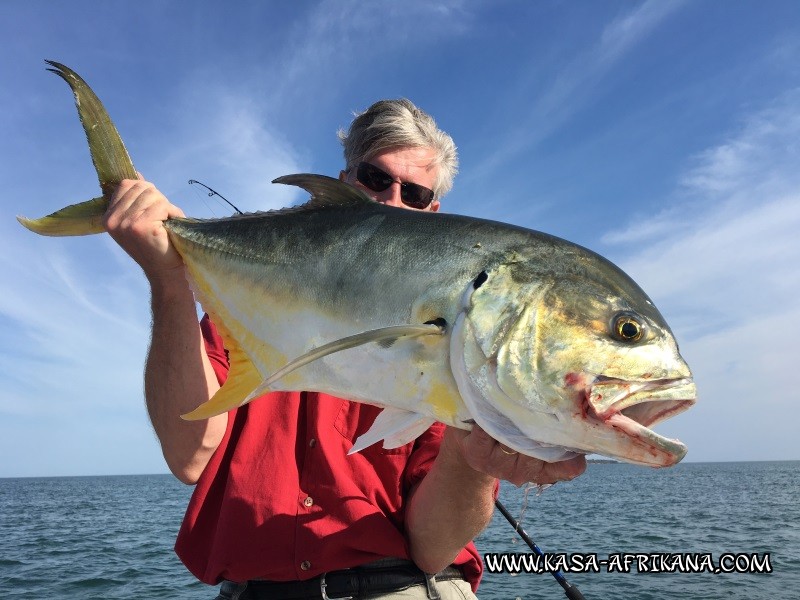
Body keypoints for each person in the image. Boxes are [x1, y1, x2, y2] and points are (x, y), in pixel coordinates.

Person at [104, 99, 586, 599]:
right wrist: (168, 283)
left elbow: (432, 548)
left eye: (415, 192)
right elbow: (190, 456)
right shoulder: (243, 312)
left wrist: (470, 455)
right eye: (376, 179)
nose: (392, 201)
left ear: (433, 214)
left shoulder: (462, 338)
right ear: (345, 182)